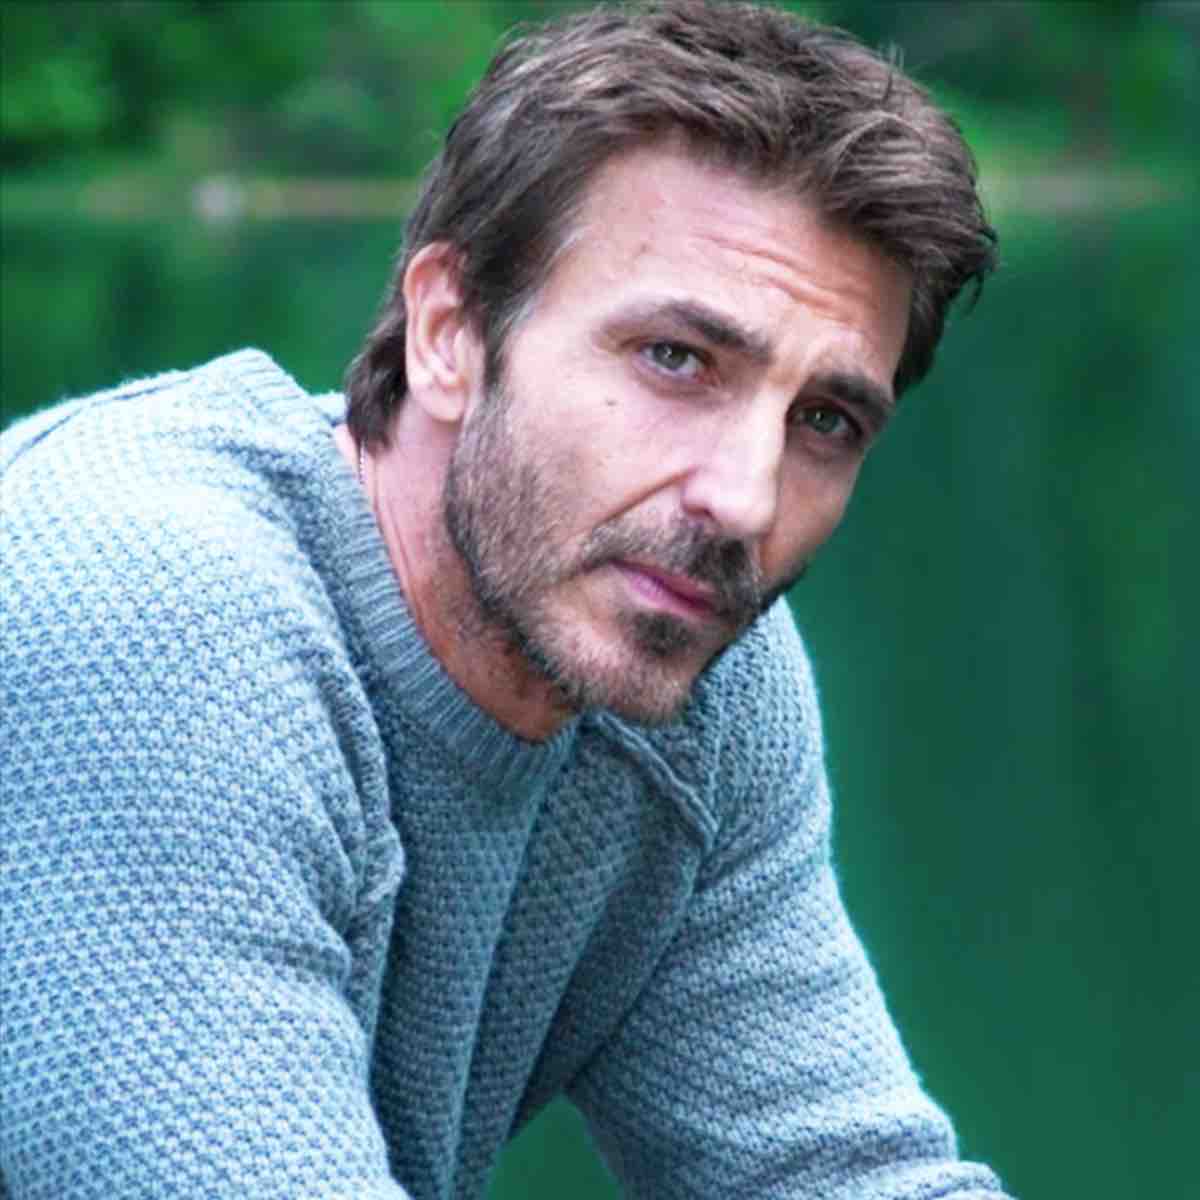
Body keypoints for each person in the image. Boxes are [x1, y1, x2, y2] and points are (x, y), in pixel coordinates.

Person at [0, 2, 1008, 1197]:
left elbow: (833, 1174)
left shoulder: (694, 665)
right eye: (676, 359)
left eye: (825, 421)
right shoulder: (149, 613)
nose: (744, 499)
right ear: (449, 330)